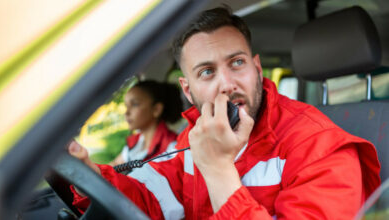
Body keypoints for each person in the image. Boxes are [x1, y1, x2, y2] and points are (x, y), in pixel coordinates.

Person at [68, 6, 381, 219]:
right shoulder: (195, 139)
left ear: (257, 69)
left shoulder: (321, 148)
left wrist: (218, 170)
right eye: (206, 72)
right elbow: (151, 202)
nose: (227, 84)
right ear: (187, 90)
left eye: (237, 63)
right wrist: (85, 174)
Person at [109, 80, 183, 166]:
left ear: (156, 109)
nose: (127, 112)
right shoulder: (137, 142)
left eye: (135, 104)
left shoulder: (173, 148)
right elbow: (114, 165)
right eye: (126, 106)